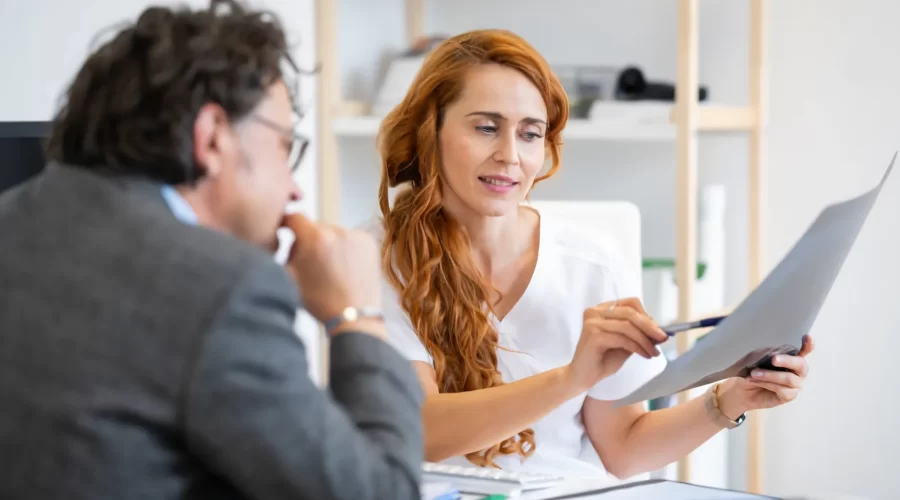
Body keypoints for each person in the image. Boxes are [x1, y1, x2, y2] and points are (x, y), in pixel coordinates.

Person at [0, 2, 423, 499]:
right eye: (285, 148)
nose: (295, 191)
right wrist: (357, 316)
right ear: (213, 137)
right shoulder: (222, 286)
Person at [366, 29, 814, 481]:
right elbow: (416, 427)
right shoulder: (375, 259)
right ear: (431, 131)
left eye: (530, 134)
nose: (510, 156)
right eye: (486, 127)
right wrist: (571, 378)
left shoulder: (589, 263)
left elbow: (624, 447)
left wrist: (733, 397)